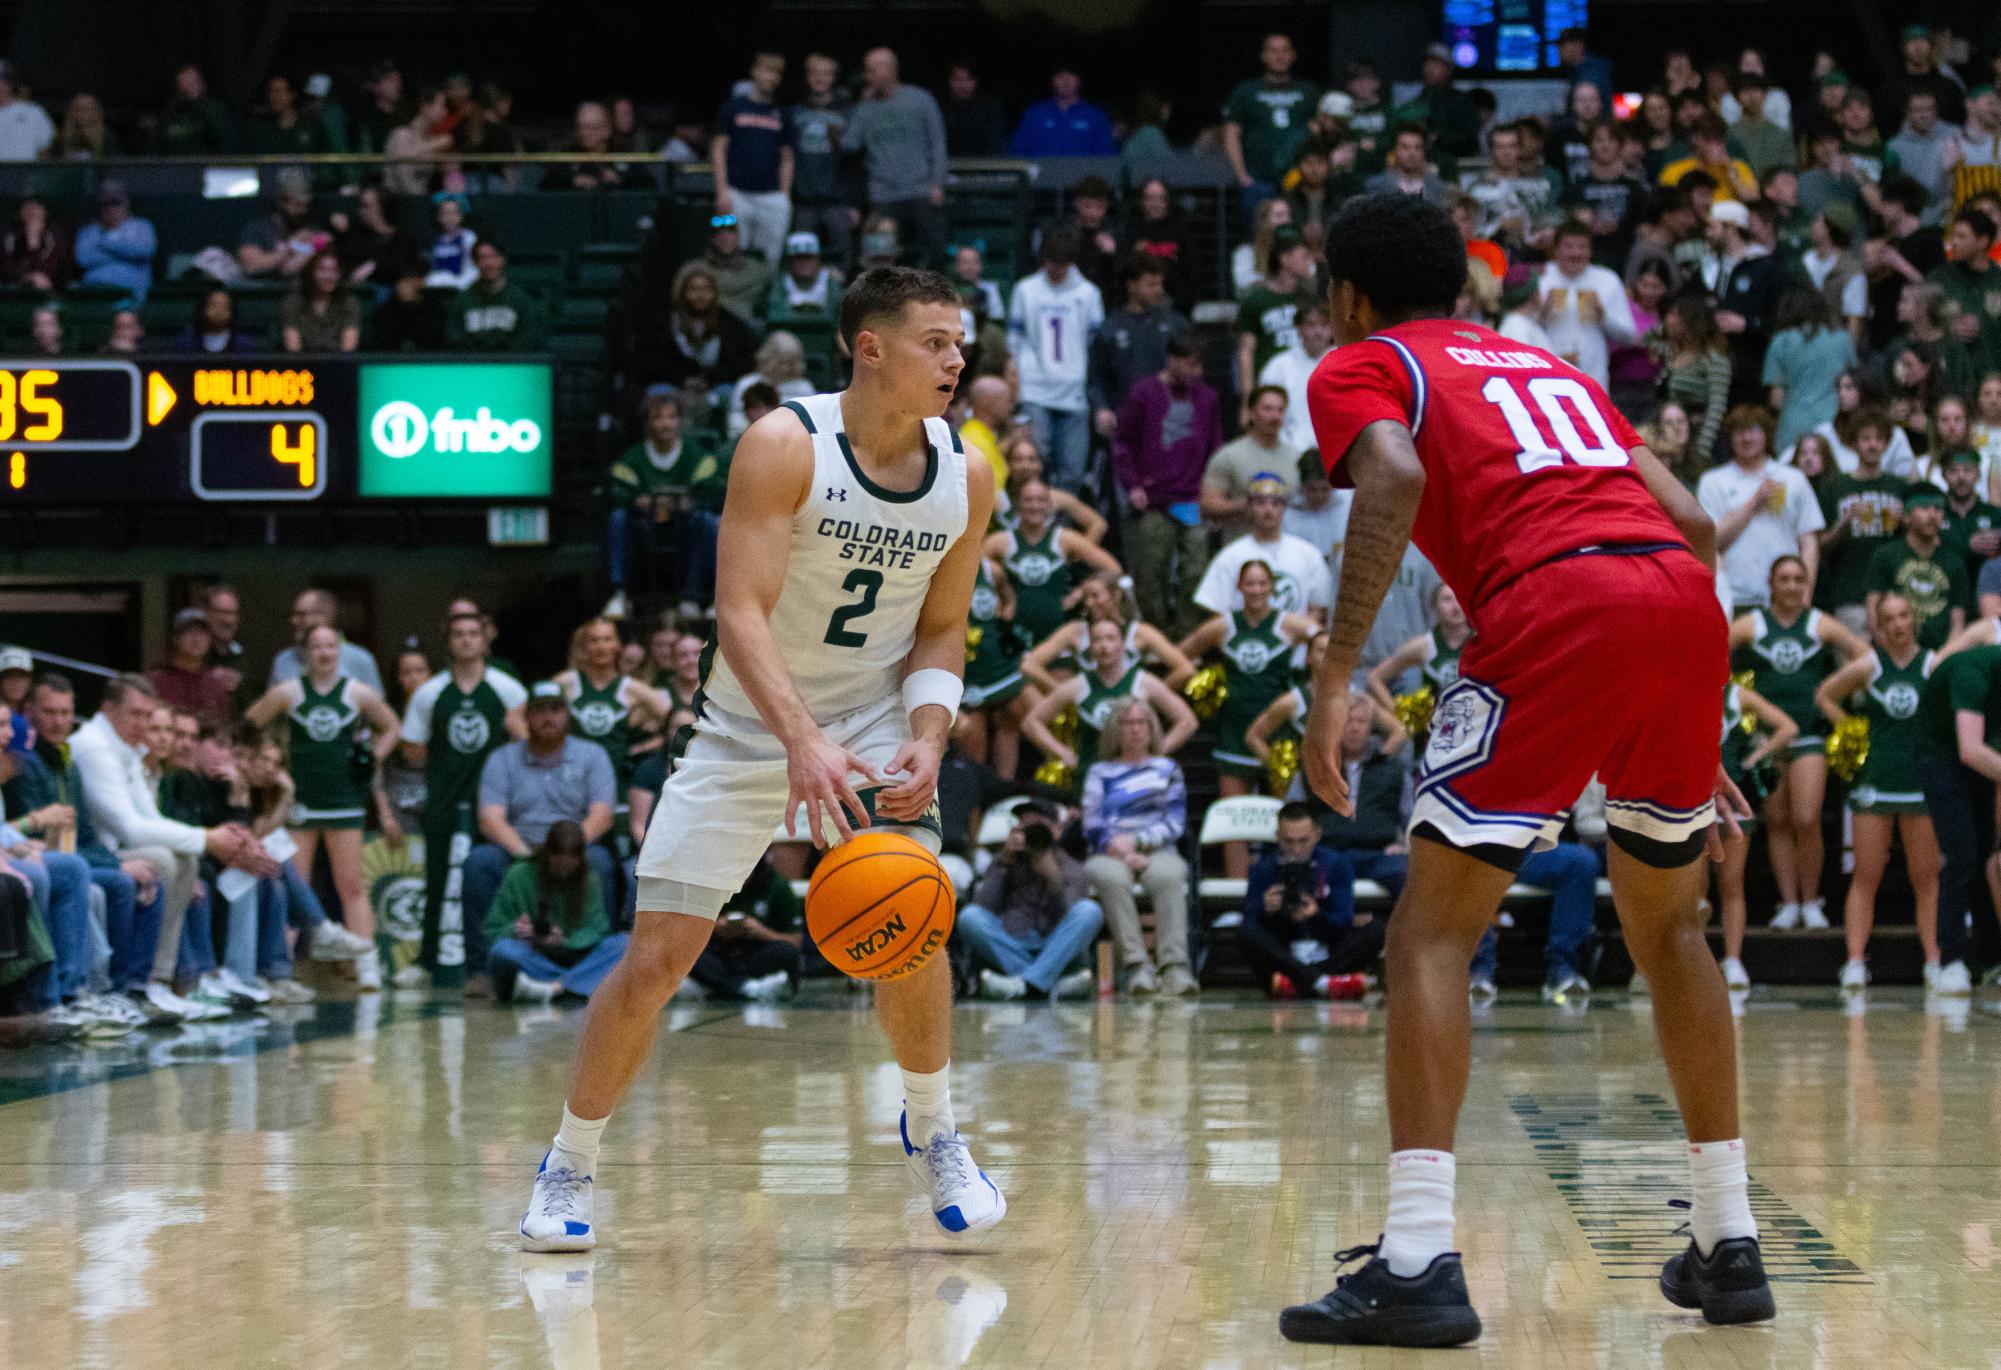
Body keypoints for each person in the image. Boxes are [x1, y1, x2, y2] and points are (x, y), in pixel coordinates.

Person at [1281, 193, 1773, 1346]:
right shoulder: (1550, 366)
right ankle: (1728, 1234)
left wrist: (1335, 673)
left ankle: (1416, 1257)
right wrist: (1689, 700)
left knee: (1429, 933)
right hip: (1677, 605)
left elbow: (1390, 475)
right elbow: (1697, 525)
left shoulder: (1366, 360)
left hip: (1554, 602)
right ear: (1460, 284)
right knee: (1672, 929)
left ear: (1346, 295)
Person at [518, 267, 1004, 1252]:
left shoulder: (969, 473)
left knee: (913, 926)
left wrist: (928, 732)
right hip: (747, 726)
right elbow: (738, 610)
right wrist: (799, 739)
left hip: (873, 723)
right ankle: (569, 1161)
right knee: (656, 963)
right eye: (936, 341)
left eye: (961, 342)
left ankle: (935, 1128)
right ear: (869, 346)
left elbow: (943, 626)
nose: (958, 359)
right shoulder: (786, 442)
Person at [69, 675, 277, 1022]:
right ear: (108, 709)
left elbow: (149, 819)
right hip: (93, 854)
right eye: (135, 714)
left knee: (185, 859)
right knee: (166, 859)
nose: (143, 724)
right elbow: (131, 827)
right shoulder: (96, 747)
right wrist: (209, 839)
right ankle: (140, 981)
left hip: (113, 851)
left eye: (147, 715)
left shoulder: (125, 749)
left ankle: (159, 981)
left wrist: (213, 837)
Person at [241, 622, 401, 990]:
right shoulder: (288, 692)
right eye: (317, 647)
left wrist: (372, 757)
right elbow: (249, 724)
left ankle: (367, 965)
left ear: (340, 651)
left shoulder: (358, 693)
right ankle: (280, 968)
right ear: (306, 653)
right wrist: (266, 766)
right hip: (301, 801)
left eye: (331, 646)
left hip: (344, 799)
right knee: (294, 886)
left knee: (352, 887)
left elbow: (392, 726)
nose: (324, 653)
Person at [5, 674, 163, 1010]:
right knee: (88, 877)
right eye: (49, 712)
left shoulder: (68, 762)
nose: (59, 721)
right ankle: (66, 993)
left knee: (141, 874)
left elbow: (86, 835)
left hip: (63, 857)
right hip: (39, 858)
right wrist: (33, 827)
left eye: (65, 712)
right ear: (30, 712)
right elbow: (32, 838)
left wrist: (118, 863)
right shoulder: (23, 764)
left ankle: (131, 987)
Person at [1728, 556, 1866, 940]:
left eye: (1798, 579)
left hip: (1809, 733)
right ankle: (1788, 902)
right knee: (1776, 820)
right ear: (1771, 584)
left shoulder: (1818, 622)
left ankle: (1811, 900)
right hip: (1768, 737)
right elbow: (1712, 650)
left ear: (1806, 584)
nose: (1791, 586)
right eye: (1784, 579)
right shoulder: (1752, 624)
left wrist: (1834, 691)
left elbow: (1864, 655)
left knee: (1806, 818)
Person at [1815, 593, 1940, 991]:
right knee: (1866, 875)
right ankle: (1854, 961)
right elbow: (1824, 696)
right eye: (1889, 619)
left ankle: (1935, 961)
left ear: (1913, 620)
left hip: (1919, 784)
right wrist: (1851, 730)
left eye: (1904, 616)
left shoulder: (1933, 665)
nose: (1898, 624)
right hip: (1875, 781)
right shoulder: (1870, 665)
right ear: (1880, 627)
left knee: (1926, 877)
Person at [400, 611, 527, 988]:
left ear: (486, 639)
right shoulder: (430, 692)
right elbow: (412, 749)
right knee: (437, 881)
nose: (467, 640)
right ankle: (427, 961)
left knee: (488, 881)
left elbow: (524, 742)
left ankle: (489, 962)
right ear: (449, 641)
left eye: (474, 633)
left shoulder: (508, 689)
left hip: (494, 807)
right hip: (442, 801)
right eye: (459, 633)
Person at [1178, 560, 1316, 875]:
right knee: (1233, 819)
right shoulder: (1223, 626)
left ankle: (1290, 882)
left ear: (1272, 587)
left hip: (1278, 735)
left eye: (1262, 583)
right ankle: (1237, 892)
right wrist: (1205, 683)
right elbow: (1181, 654)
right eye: (1250, 583)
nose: (1256, 590)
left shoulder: (1289, 624)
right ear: (1239, 587)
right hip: (1234, 733)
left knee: (1289, 818)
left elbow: (1324, 644)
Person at [1079, 697, 1193, 996]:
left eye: (1142, 722)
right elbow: (1091, 824)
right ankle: (1137, 966)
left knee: (1169, 877)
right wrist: (1120, 850)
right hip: (1110, 851)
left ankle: (1174, 967)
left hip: (1158, 849)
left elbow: (1175, 822)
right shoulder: (1100, 772)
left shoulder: (1167, 769)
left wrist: (1138, 843)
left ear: (1152, 728)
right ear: (1115, 730)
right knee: (1110, 877)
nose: (1135, 729)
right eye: (1128, 723)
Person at [1114, 332, 1221, 636]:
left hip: (1193, 498)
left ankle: (1187, 636)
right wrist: (1133, 485)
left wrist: (1213, 495)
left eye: (1200, 364)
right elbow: (1123, 443)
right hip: (1153, 499)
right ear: (1172, 360)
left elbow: (1215, 449)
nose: (1197, 371)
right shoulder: (1143, 394)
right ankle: (1155, 636)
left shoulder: (1208, 398)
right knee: (1149, 572)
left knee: (1197, 571)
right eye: (1191, 364)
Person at [1913, 641, 2001, 994]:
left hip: (1983, 754)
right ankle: (1949, 960)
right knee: (1962, 855)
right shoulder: (1971, 674)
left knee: (1986, 856)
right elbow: (1970, 750)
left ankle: (1993, 958)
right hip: (1940, 758)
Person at [1023, 616, 1198, 782]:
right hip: (1088, 782)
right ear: (1090, 647)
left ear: (1123, 644)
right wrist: (1062, 753)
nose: (1104, 646)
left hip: (1135, 781)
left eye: (1111, 639)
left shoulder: (1144, 682)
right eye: (1097, 640)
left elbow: (1188, 721)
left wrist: (1156, 752)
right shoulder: (1077, 686)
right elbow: (1031, 723)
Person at [1243, 798, 1384, 1000]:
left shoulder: (1336, 864)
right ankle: (1324, 983)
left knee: (1376, 930)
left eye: (1303, 841)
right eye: (1288, 841)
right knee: (1246, 932)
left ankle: (1299, 983)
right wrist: (1265, 908)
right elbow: (1250, 920)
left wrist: (1317, 915)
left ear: (1317, 835)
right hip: (1284, 947)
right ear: (1277, 837)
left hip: (1327, 945)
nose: (1296, 850)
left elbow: (1343, 919)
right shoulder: (1264, 868)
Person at [485, 820, 629, 1004]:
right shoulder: (518, 875)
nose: (564, 871)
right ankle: (580, 984)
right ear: (547, 854)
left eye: (570, 865)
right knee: (502, 951)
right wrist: (517, 930)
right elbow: (493, 929)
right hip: (533, 957)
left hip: (576, 957)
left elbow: (598, 930)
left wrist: (564, 940)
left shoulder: (590, 880)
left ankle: (556, 987)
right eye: (558, 864)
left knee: (625, 943)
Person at [1007, 228, 1104, 494]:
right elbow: (1014, 342)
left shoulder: (1088, 293)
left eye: (1062, 263)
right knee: (1034, 465)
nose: (1057, 269)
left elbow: (1095, 345)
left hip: (1074, 392)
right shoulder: (1025, 290)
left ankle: (1061, 520)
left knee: (1072, 471)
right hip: (1034, 390)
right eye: (1052, 262)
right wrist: (1015, 382)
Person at [1699, 406, 1824, 611]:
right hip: (1733, 598)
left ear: (1766, 434)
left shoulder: (1793, 478)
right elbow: (1709, 541)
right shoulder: (1713, 481)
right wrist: (1754, 502)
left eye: (1754, 430)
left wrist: (1805, 594)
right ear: (1730, 438)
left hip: (1786, 597)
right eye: (1740, 431)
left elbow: (1809, 541)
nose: (1747, 438)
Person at [842, 49, 949, 269]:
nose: (867, 76)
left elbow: (937, 143)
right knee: (879, 255)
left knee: (934, 254)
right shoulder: (866, 106)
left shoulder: (921, 99)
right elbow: (849, 144)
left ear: (889, 69)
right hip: (883, 194)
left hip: (921, 190)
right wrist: (861, 106)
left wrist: (937, 183)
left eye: (871, 70)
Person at [983, 479, 1121, 644]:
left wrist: (1081, 591)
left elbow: (1113, 568)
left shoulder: (1065, 538)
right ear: (1018, 505)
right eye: (1029, 500)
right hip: (1011, 634)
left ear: (1049, 505)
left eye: (1040, 500)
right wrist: (999, 595)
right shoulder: (999, 542)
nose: (1035, 506)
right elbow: (973, 574)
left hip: (1059, 630)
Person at [1194, 474, 1335, 623]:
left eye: (1275, 503)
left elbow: (1319, 609)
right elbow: (1216, 611)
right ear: (1250, 507)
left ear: (1284, 507)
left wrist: (1298, 633)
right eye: (1260, 503)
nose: (1268, 510)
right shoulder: (1230, 556)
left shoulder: (1309, 554)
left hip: (1297, 636)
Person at [1816, 412, 1906, 633]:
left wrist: (1905, 522)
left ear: (1886, 444)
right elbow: (1819, 545)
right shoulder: (1835, 487)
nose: (1872, 445)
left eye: (1878, 439)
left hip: (1893, 595)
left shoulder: (1899, 487)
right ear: (1854, 444)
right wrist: (1842, 525)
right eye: (1866, 439)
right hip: (1849, 594)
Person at [711, 52, 795, 268]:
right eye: (768, 71)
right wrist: (722, 191)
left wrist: (784, 195)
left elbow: (787, 158)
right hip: (736, 193)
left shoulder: (782, 114)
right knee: (734, 253)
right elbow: (718, 149)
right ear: (755, 72)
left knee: (771, 259)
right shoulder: (733, 107)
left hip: (771, 196)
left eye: (777, 73)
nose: (772, 77)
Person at [1222, 33, 1322, 211]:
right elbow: (1231, 135)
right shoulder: (1246, 91)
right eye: (1273, 51)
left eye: (1285, 51)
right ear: (1263, 56)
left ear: (1293, 55)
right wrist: (1242, 176)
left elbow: (1320, 132)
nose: (1280, 56)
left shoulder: (1309, 92)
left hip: (1298, 179)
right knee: (1257, 227)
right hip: (1258, 180)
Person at [1537, 219, 1637, 390]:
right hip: (1547, 379)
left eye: (1582, 247)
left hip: (1594, 381)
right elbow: (1521, 330)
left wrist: (1603, 317)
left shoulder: (1607, 279)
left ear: (1590, 251)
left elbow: (1629, 336)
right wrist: (1542, 314)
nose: (1576, 253)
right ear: (1556, 249)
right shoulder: (1541, 277)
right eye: (1569, 246)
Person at [686, 855, 802, 1001]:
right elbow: (687, 933)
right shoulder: (710, 886)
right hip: (720, 953)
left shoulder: (778, 887)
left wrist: (761, 932)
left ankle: (719, 985)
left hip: (756, 954)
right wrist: (715, 927)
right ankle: (749, 988)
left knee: (786, 951)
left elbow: (795, 942)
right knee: (689, 950)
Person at [1202, 390, 1302, 541]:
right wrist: (1248, 505)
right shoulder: (1228, 456)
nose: (1275, 416)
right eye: (1268, 409)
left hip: (1287, 547)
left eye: (1280, 410)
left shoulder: (1297, 458)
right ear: (1251, 413)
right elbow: (1207, 506)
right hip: (1240, 545)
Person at [270, 588, 383, 691]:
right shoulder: (283, 660)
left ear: (325, 616)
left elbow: (376, 705)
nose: (294, 621)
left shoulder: (360, 659)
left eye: (302, 614)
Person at [448, 240, 548, 353]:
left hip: (512, 361)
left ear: (503, 260)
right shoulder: (462, 300)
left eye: (493, 257)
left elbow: (529, 337)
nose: (489, 263)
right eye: (482, 258)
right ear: (475, 262)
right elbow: (454, 337)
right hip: (474, 362)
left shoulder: (521, 299)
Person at [1261, 300, 1334, 453]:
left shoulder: (1344, 362)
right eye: (1311, 325)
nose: (1318, 332)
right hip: (1290, 451)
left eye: (1324, 325)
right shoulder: (1278, 366)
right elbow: (1263, 412)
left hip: (1335, 450)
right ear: (1299, 328)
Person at [147, 607, 232, 730]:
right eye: (189, 632)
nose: (196, 638)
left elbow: (223, 728)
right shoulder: (155, 681)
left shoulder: (214, 685)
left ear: (210, 640)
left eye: (202, 633)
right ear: (175, 639)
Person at [72, 180, 156, 302]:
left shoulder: (142, 226)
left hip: (131, 295)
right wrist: (126, 255)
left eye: (115, 202)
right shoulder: (88, 231)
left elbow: (144, 251)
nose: (111, 209)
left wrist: (104, 242)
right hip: (94, 293)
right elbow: (83, 259)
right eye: (106, 204)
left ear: (126, 203)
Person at [1011, 67, 1117, 158]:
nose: (1066, 80)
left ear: (1079, 80)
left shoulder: (1095, 116)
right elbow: (1018, 150)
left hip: (1082, 175)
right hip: (1041, 175)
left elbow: (1105, 154)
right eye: (1060, 75)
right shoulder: (1034, 114)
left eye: (1071, 75)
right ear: (1052, 81)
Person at [280, 249, 360, 353]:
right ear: (311, 273)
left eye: (334, 271)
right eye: (322, 270)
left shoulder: (349, 302)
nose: (329, 276)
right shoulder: (293, 302)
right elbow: (293, 349)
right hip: (303, 361)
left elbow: (348, 348)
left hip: (338, 360)